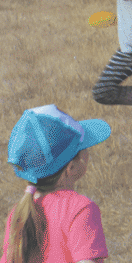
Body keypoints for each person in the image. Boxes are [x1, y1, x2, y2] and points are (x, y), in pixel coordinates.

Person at [2, 105, 111, 263]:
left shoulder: (18, 213)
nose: (87, 152)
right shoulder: (80, 209)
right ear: (71, 168)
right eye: (83, 147)